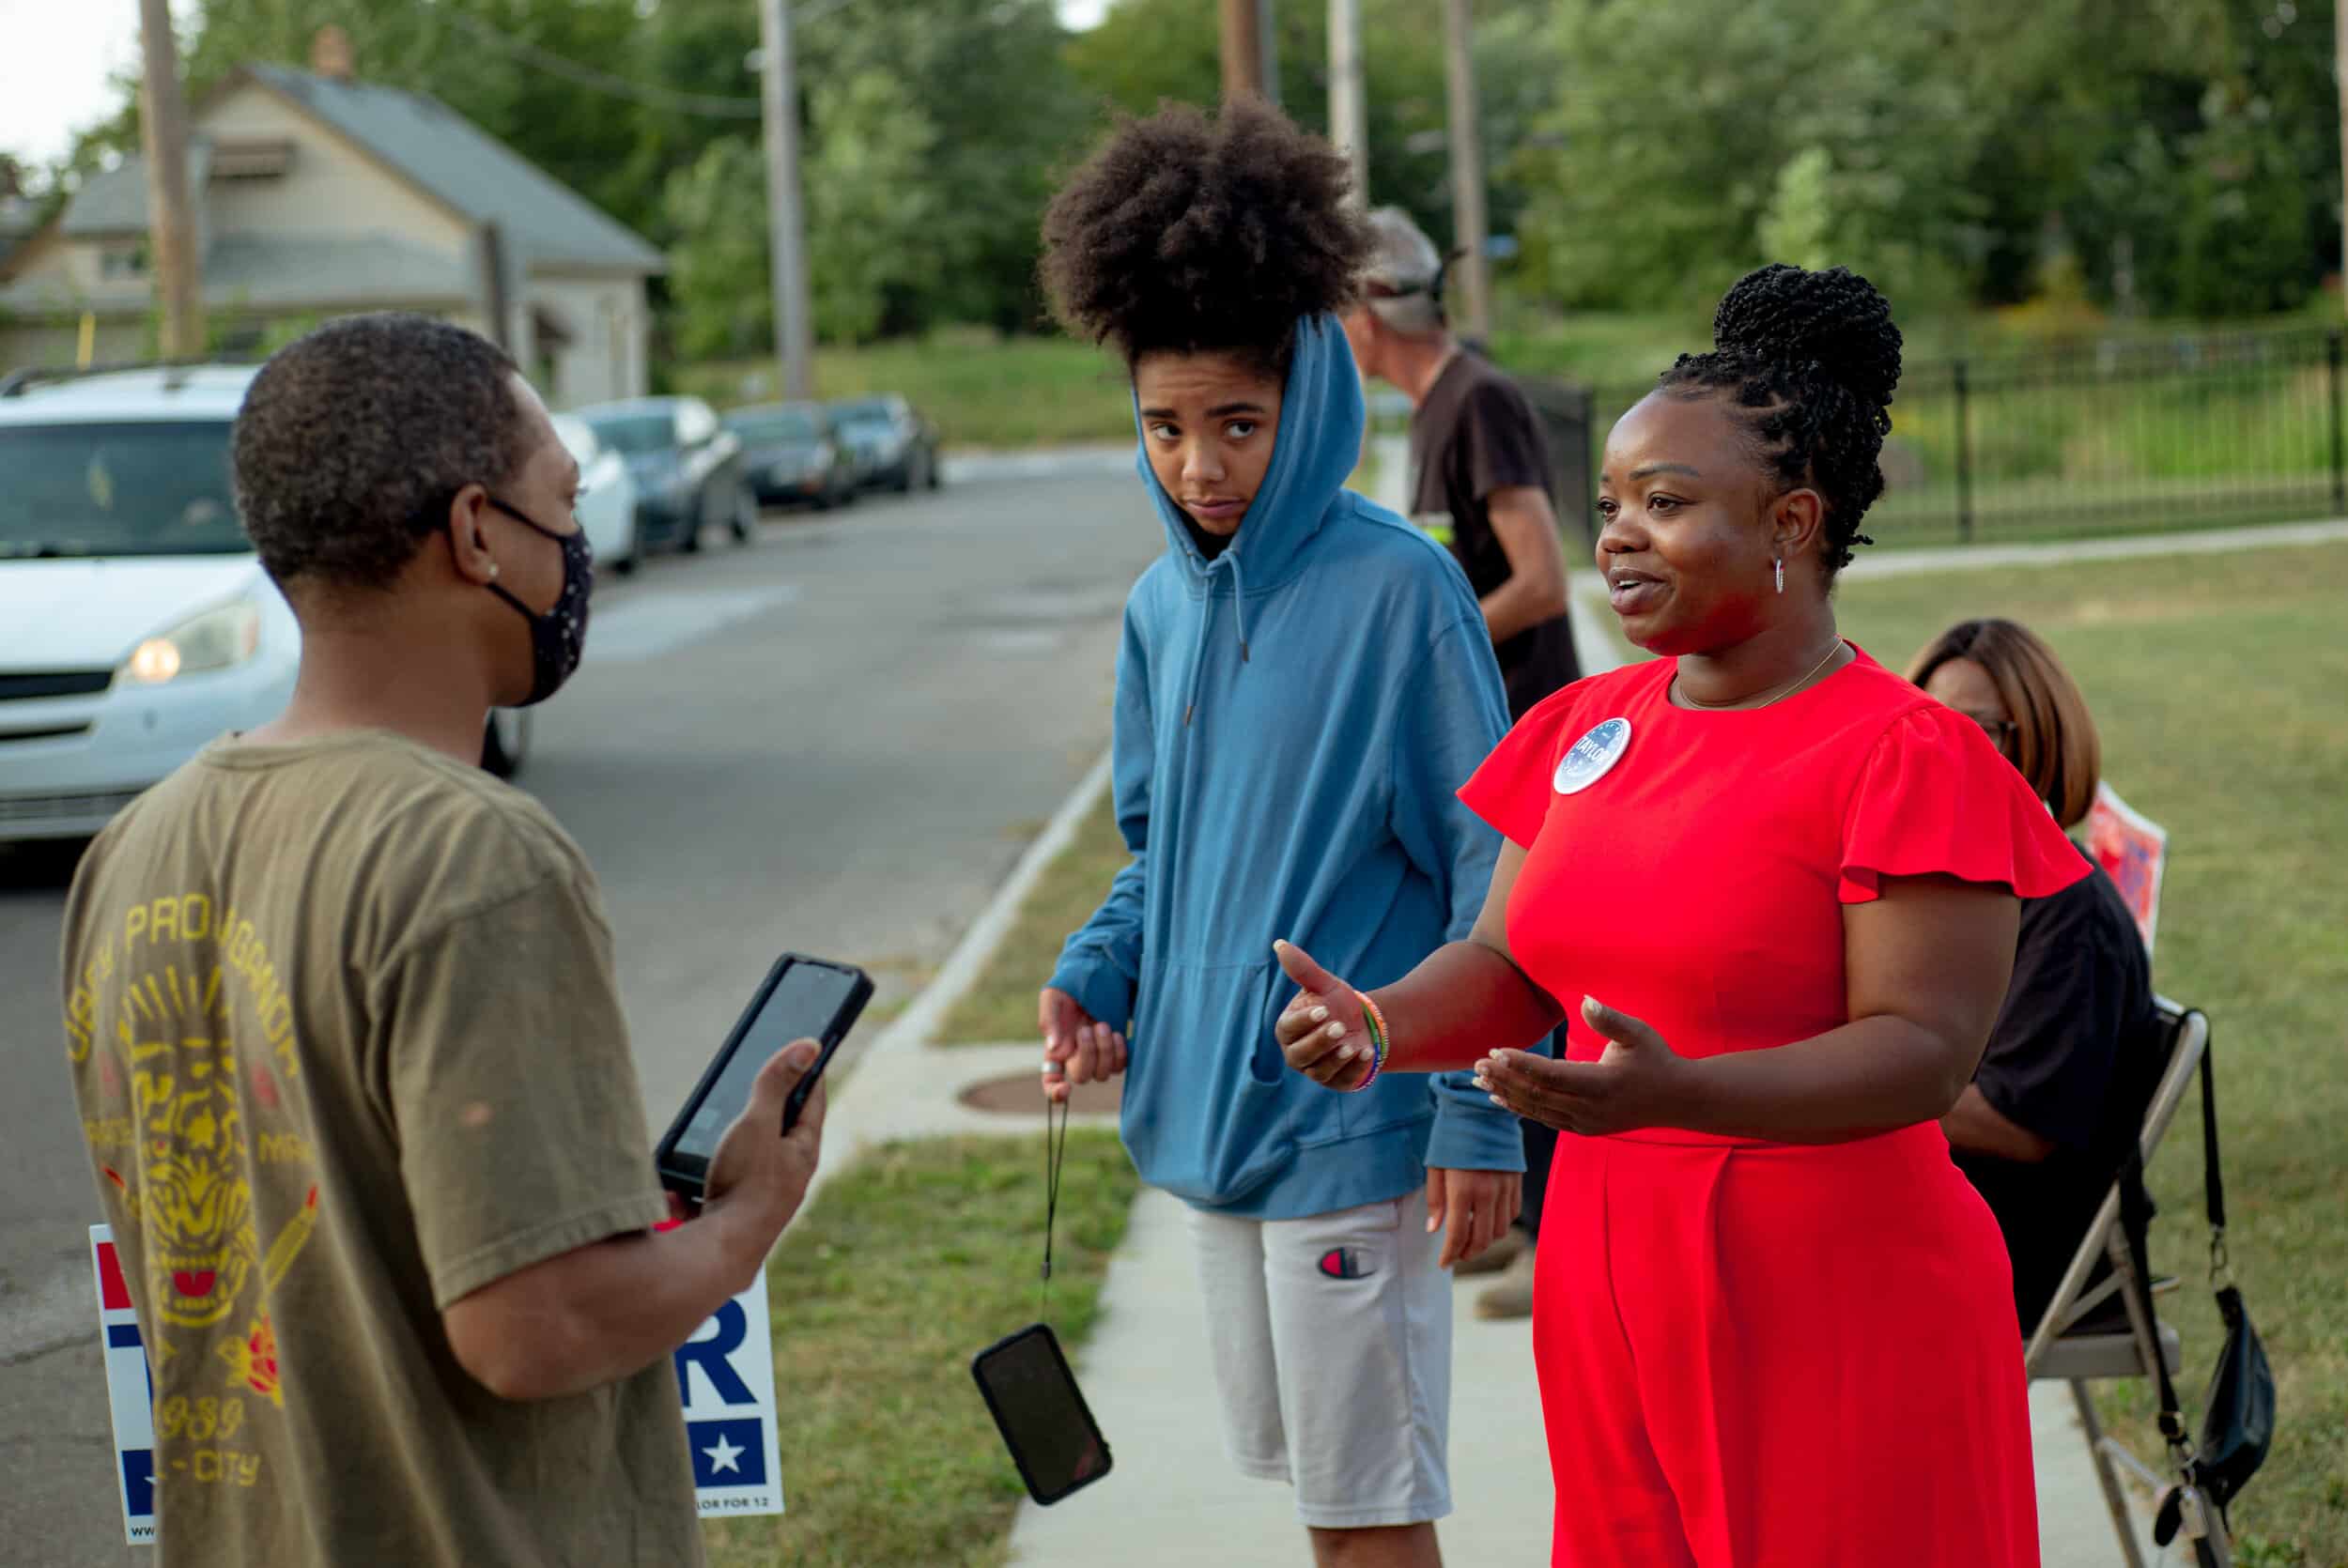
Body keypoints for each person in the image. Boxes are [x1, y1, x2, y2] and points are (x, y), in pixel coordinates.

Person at [1274, 264, 2088, 1566]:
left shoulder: (1908, 754)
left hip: (1835, 1295)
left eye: (1667, 503)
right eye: (1609, 505)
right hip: (1615, 1279)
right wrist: (1376, 1021)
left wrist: (1676, 1097)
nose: (1616, 537)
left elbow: (1924, 1050)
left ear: (1793, 522)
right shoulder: (1584, 728)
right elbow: (1504, 960)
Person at [59, 314, 826, 1567]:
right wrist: (746, 1216)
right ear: (477, 533)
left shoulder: (132, 852)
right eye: (562, 502)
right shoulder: (479, 858)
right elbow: (533, 1328)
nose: (576, 544)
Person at [1033, 101, 1523, 1568]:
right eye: (1166, 427)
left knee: (1370, 1515)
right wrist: (1098, 969)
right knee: (1310, 1490)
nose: (1198, 465)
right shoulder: (1155, 605)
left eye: (1236, 423)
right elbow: (1160, 853)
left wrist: (1476, 1107)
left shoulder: (1400, 593)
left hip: (1353, 1122)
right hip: (1208, 1127)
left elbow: (1495, 863)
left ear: (1308, 397)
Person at [1344, 206, 1582, 1320]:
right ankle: (1522, 1216)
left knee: (1540, 971)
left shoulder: (1476, 399)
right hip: (1488, 746)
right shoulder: (1429, 412)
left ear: (1361, 309)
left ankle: (1555, 1230)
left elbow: (1538, 578)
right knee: (1499, 965)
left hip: (1535, 735)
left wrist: (1426, 659)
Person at [1909, 618, 2163, 1334]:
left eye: (1976, 730)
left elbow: (2022, 1126)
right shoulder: (1964, 882)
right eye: (1926, 725)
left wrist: (1845, 1082)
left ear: (2040, 740)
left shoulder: (2066, 909)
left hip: (2026, 1251)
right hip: (1955, 1215)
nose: (1943, 752)